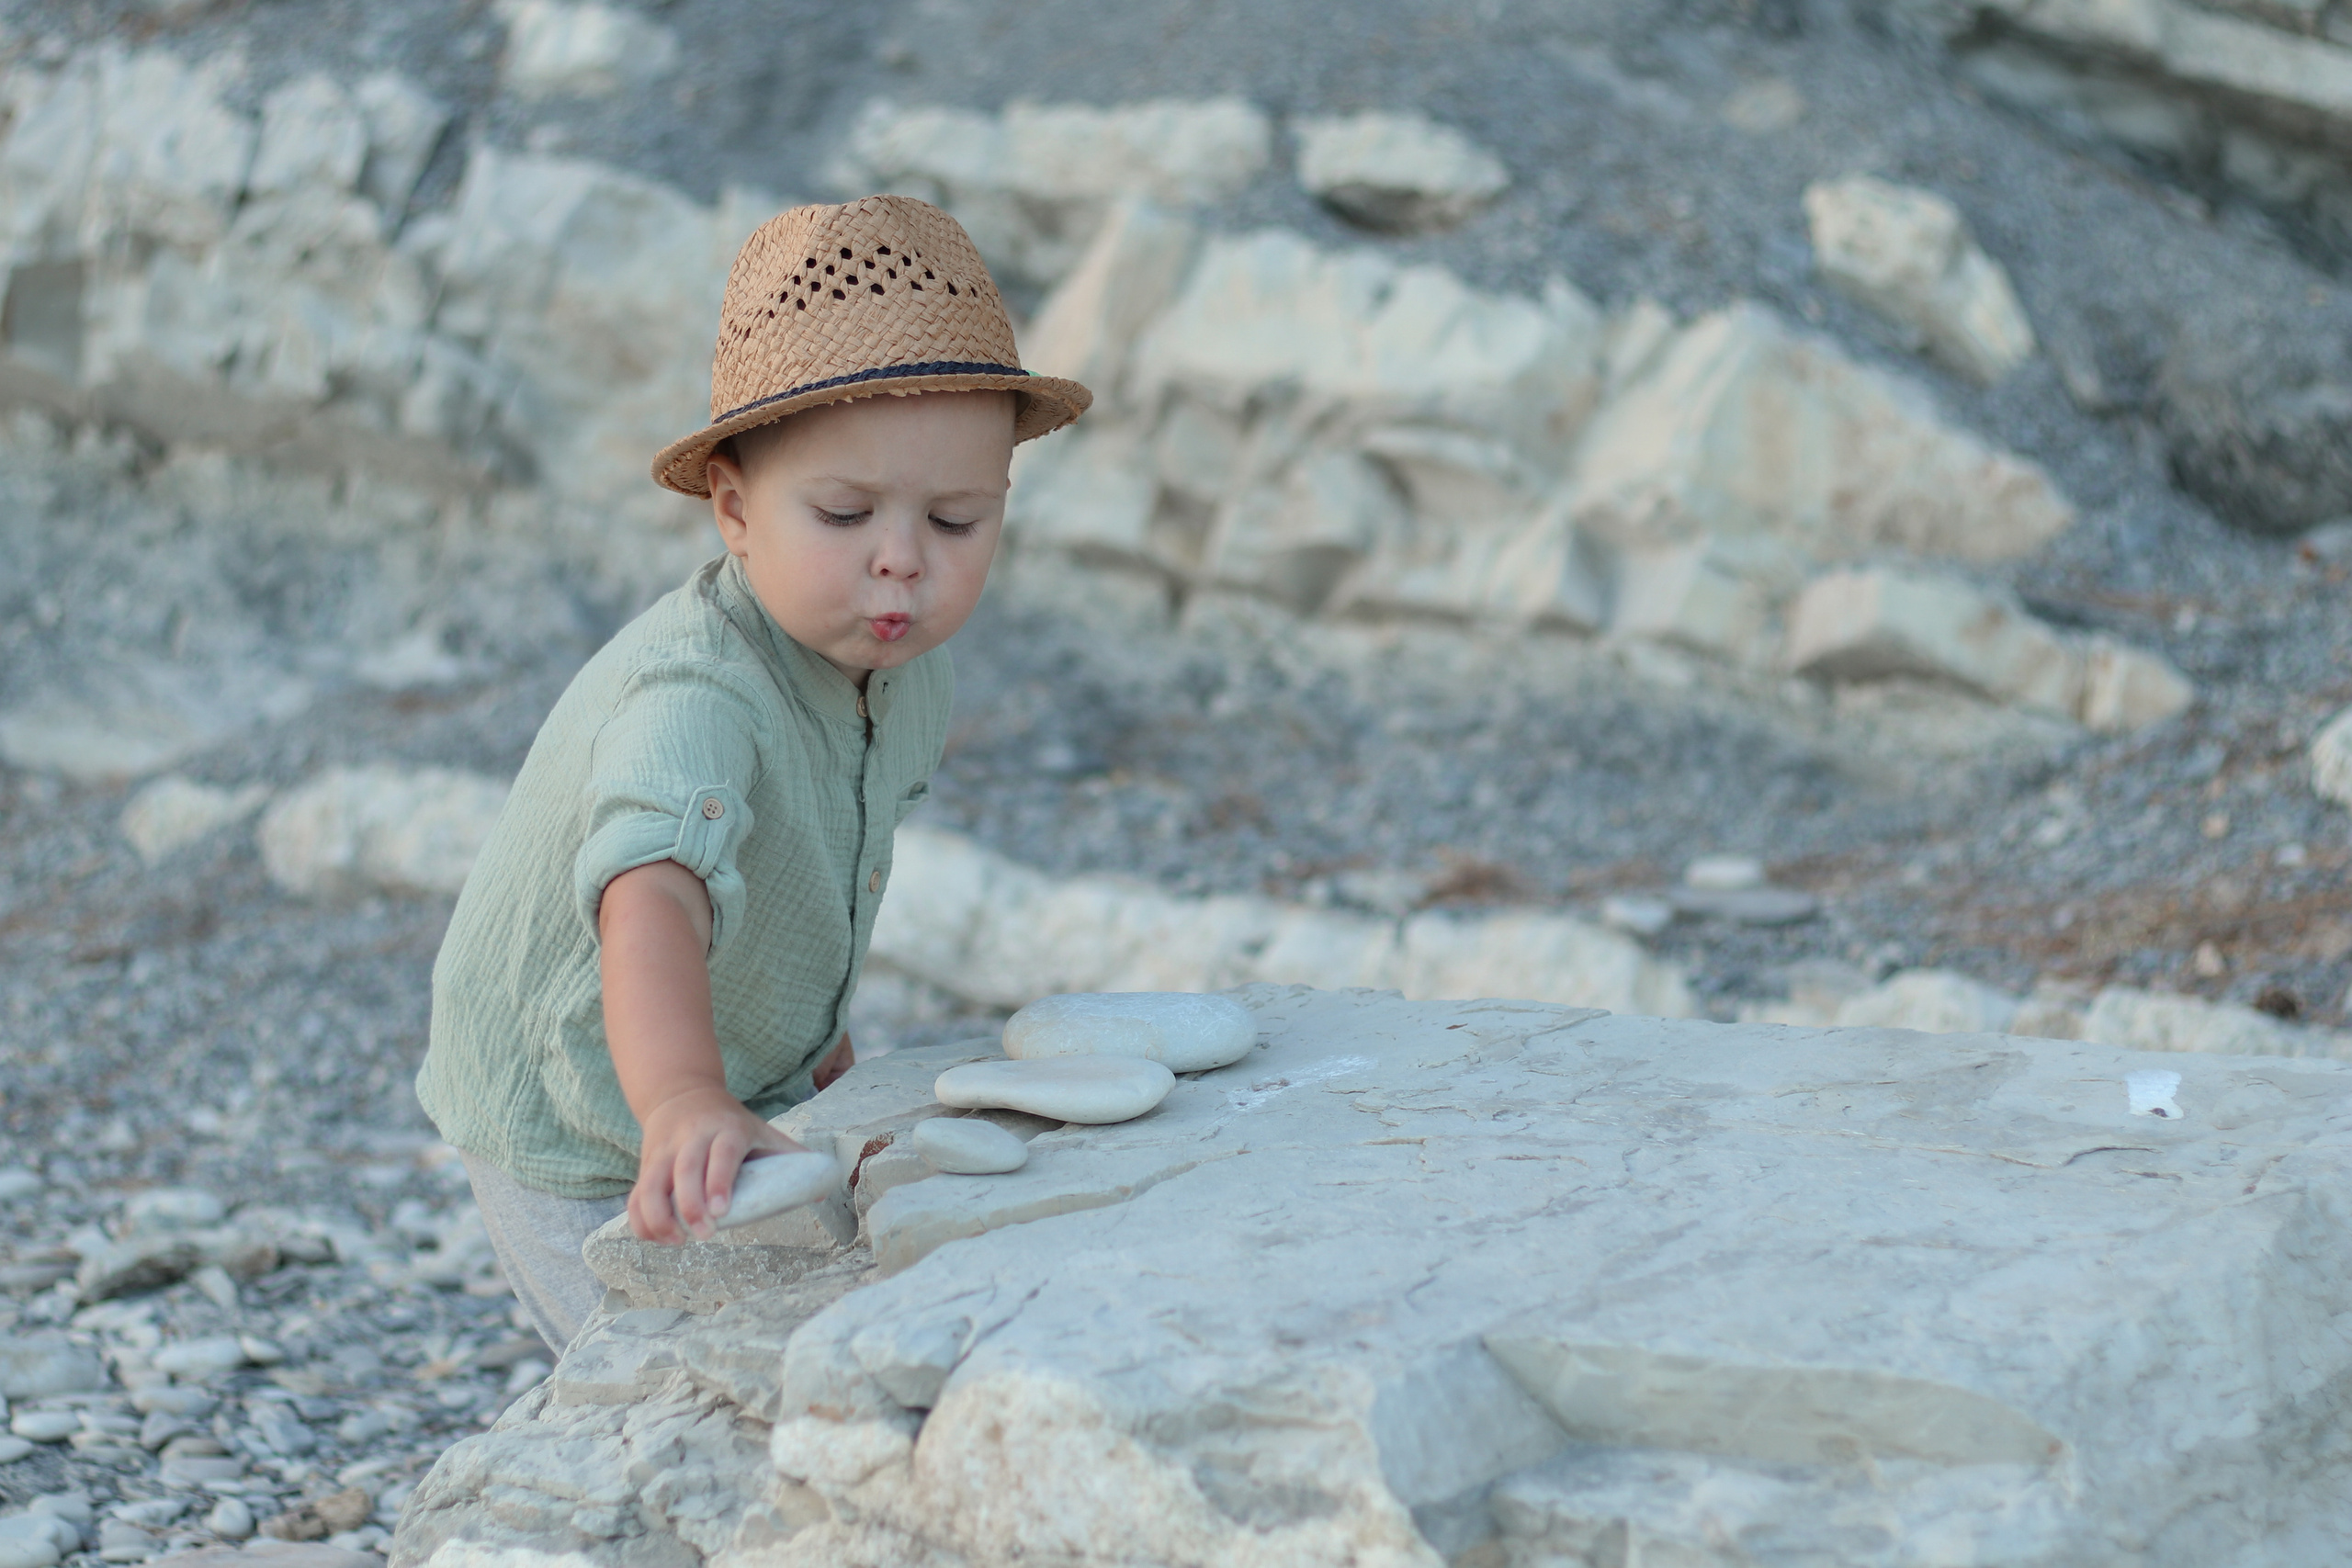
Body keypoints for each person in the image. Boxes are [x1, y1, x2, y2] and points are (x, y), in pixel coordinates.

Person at [413, 196, 1091, 1351]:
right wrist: (681, 1098)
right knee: (650, 1368)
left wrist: (811, 1046)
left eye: (957, 519)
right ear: (733, 509)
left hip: (736, 1066)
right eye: (844, 512)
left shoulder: (902, 669)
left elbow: (828, 855)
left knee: (798, 1332)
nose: (902, 558)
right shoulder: (696, 697)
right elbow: (652, 898)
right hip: (571, 1098)